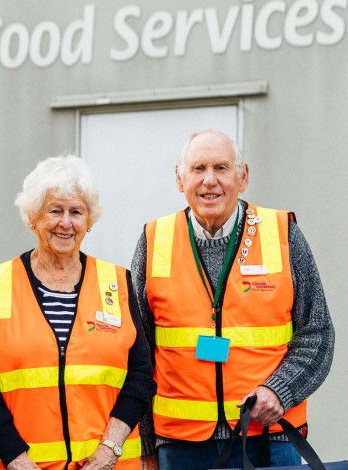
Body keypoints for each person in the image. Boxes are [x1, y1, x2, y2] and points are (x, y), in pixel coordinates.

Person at [131, 130, 334, 469]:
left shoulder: (282, 232)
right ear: (179, 178)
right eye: (198, 169)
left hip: (268, 437)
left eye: (221, 167)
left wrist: (278, 391)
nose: (210, 180)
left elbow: (318, 333)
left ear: (243, 176)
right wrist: (148, 445)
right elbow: (139, 353)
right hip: (181, 447)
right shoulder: (154, 240)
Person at [0, 155, 156, 470]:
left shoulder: (115, 282)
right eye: (55, 211)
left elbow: (140, 374)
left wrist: (110, 449)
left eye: (76, 212)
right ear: (34, 217)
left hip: (104, 465)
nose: (66, 223)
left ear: (89, 219)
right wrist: (15, 457)